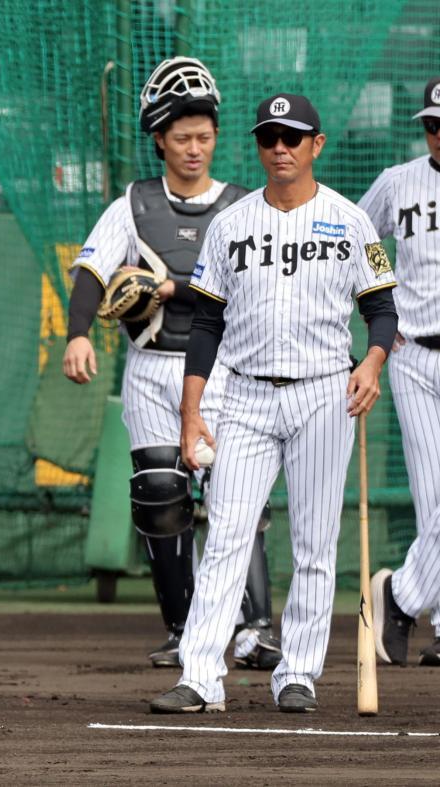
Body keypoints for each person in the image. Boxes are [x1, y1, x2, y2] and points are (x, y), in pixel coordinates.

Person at [150, 93, 398, 714]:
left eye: (292, 137)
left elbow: (381, 308)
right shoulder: (231, 225)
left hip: (323, 393)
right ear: (259, 147)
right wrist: (191, 410)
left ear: (317, 145)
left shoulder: (350, 221)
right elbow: (205, 324)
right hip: (248, 396)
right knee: (229, 535)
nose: (280, 148)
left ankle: (299, 674)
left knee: (315, 543)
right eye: (269, 138)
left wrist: (372, 361)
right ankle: (201, 675)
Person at [63, 57, 281, 670]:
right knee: (160, 494)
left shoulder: (243, 207)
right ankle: (184, 630)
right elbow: (91, 272)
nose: (194, 148)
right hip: (152, 367)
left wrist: (170, 291)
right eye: (182, 137)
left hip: (224, 370)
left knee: (237, 499)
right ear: (158, 137)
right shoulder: (132, 205)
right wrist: (78, 334)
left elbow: (253, 292)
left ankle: (255, 626)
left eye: (205, 136)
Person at [360, 76, 440, 668]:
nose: (438, 135)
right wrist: (380, 312)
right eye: (431, 125)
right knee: (435, 500)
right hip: (414, 355)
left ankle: (403, 597)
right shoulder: (398, 183)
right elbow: (361, 243)